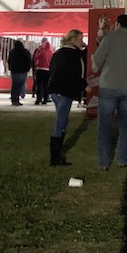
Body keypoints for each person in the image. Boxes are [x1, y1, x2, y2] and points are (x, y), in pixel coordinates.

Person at [91, 14, 127, 170]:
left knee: (104, 125)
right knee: (125, 124)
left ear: (117, 24)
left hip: (108, 84)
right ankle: (122, 159)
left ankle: (104, 161)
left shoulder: (110, 38)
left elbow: (98, 59)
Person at [47, 29, 87, 167]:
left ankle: (56, 155)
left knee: (63, 119)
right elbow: (72, 74)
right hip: (65, 90)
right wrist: (84, 85)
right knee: (61, 122)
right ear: (74, 39)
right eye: (81, 39)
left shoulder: (59, 53)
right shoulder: (72, 55)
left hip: (55, 89)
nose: (82, 42)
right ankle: (55, 157)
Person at [6, 39, 33, 106]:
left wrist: (10, 68)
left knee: (14, 86)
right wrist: (27, 69)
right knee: (20, 86)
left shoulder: (12, 52)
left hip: (14, 71)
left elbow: (9, 61)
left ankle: (13, 99)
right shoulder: (25, 52)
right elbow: (29, 61)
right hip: (22, 71)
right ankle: (17, 99)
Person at [32, 38, 53, 105]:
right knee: (46, 86)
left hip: (40, 69)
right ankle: (45, 100)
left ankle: (38, 99)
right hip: (47, 70)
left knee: (39, 85)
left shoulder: (42, 51)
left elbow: (36, 57)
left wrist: (39, 50)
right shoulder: (51, 52)